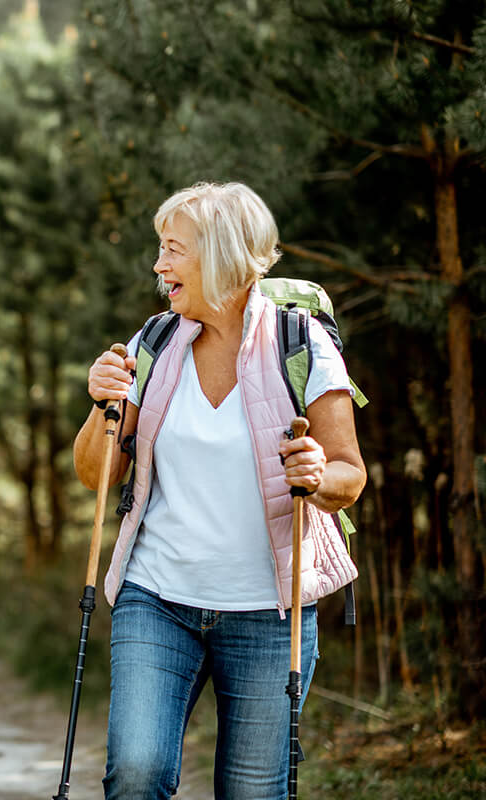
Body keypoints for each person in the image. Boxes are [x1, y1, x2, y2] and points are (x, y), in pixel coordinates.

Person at [73, 182, 365, 799]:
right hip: (158, 598)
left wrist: (317, 473)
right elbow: (97, 473)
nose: (159, 265)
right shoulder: (155, 343)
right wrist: (104, 403)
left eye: (174, 250)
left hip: (267, 612)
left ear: (224, 256)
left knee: (254, 793)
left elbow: (349, 476)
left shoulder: (300, 345)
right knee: (135, 773)